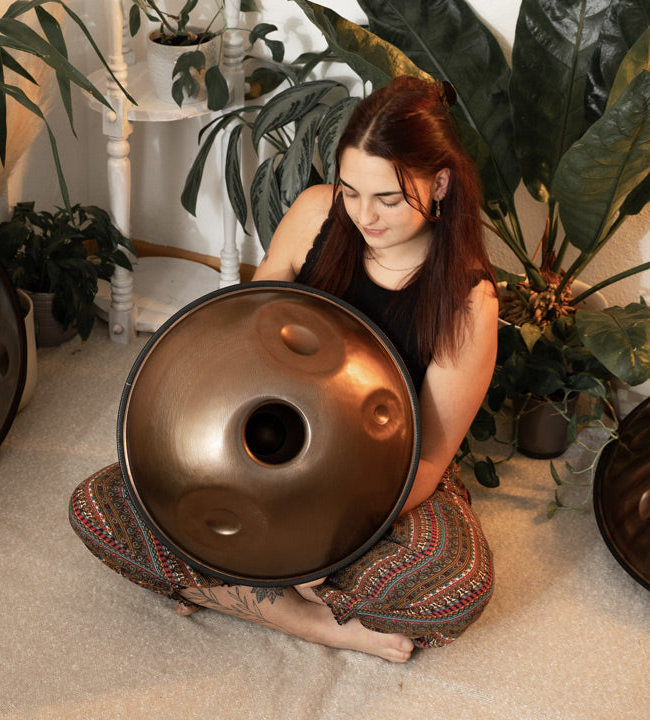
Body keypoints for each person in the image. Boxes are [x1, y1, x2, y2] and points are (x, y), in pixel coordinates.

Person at [69, 75, 498, 663]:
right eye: (351, 190)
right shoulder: (317, 213)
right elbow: (243, 332)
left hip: (377, 491)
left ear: (440, 183)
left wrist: (321, 543)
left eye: (389, 199)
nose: (364, 215)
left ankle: (228, 588)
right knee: (99, 506)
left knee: (454, 587)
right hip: (250, 456)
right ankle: (314, 621)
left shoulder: (468, 301)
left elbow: (427, 461)